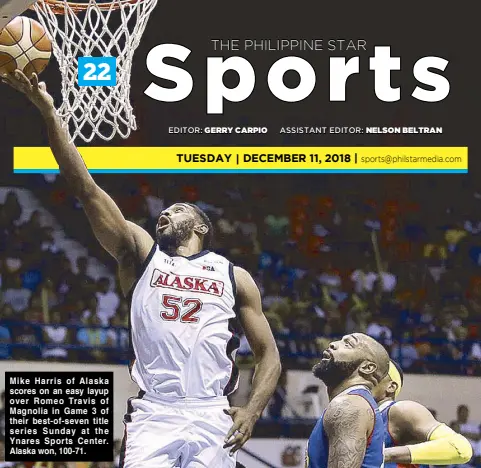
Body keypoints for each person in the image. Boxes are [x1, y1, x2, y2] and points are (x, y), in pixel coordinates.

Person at [2, 70, 282, 468]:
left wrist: (252, 411)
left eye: (179, 209)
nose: (166, 211)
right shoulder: (142, 253)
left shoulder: (234, 276)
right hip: (156, 412)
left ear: (202, 227)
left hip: (212, 411)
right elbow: (86, 188)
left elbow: (269, 354)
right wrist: (50, 114)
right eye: (164, 210)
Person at [306, 333, 389, 468]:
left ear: (367, 367)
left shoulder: (349, 406)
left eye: (348, 344)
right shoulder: (357, 403)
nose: (333, 344)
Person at [373, 360, 473, 467]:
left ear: (391, 386)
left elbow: (460, 448)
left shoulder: (400, 410)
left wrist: (383, 455)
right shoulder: (362, 418)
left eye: (370, 375)